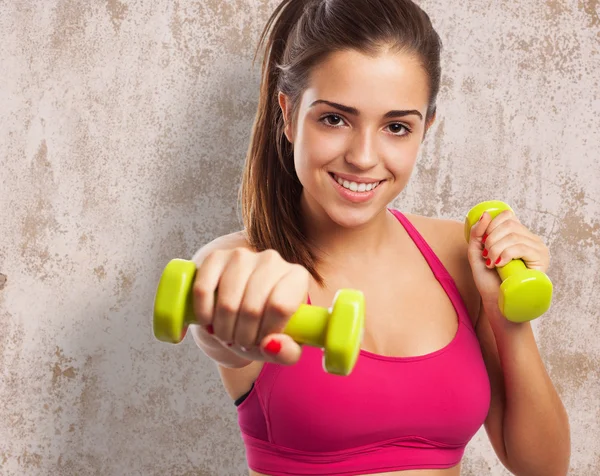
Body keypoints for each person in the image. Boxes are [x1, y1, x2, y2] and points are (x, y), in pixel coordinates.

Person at [188, 0, 570, 474]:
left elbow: (543, 467)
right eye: (334, 119)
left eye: (395, 127)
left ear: (424, 130)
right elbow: (217, 306)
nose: (365, 157)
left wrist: (506, 314)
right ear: (287, 114)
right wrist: (225, 322)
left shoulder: (460, 256)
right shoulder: (244, 262)